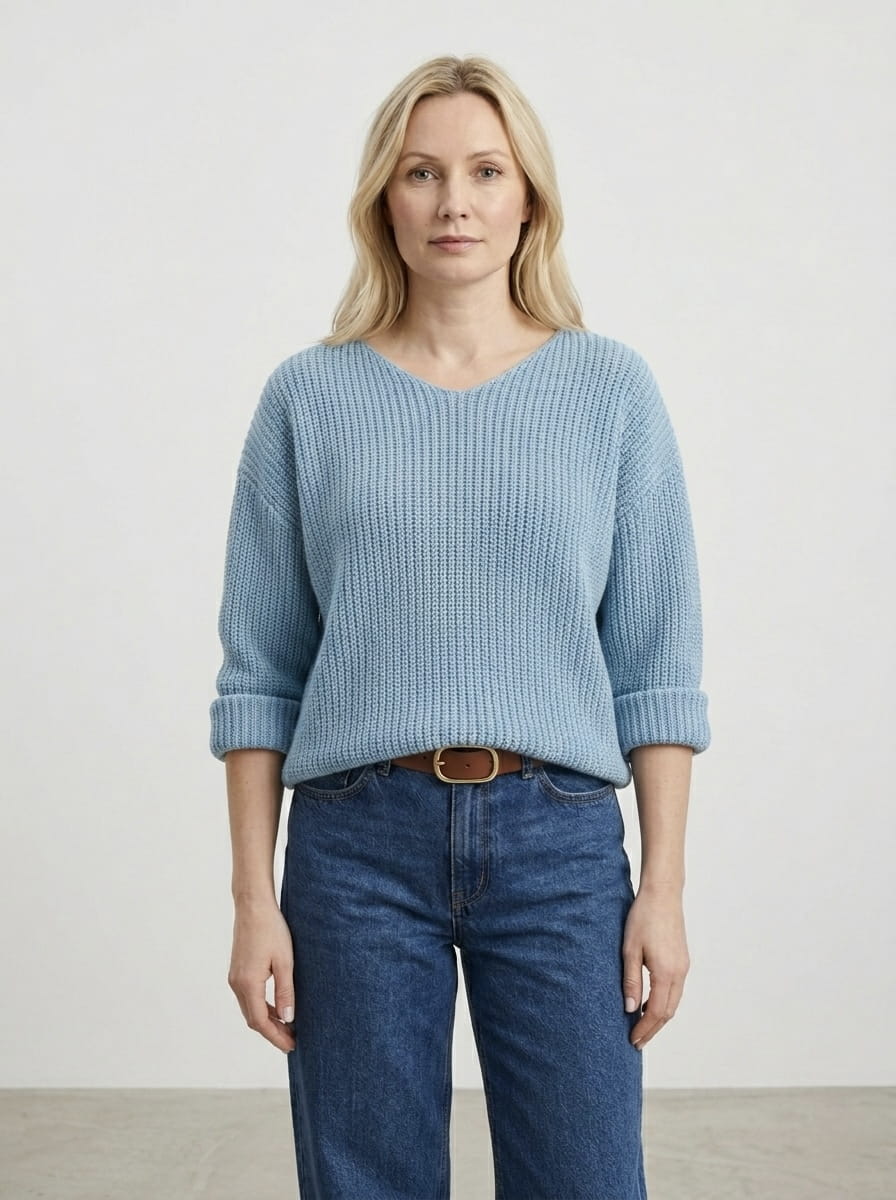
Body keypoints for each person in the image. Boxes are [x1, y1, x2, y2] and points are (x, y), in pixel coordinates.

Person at [209, 52, 711, 1200]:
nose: (454, 202)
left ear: (528, 196)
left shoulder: (608, 393)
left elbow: (655, 666)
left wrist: (663, 890)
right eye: (421, 172)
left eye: (485, 171)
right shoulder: (308, 398)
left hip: (558, 841)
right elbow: (260, 676)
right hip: (352, 849)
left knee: (586, 1179)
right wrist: (251, 902)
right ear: (382, 199)